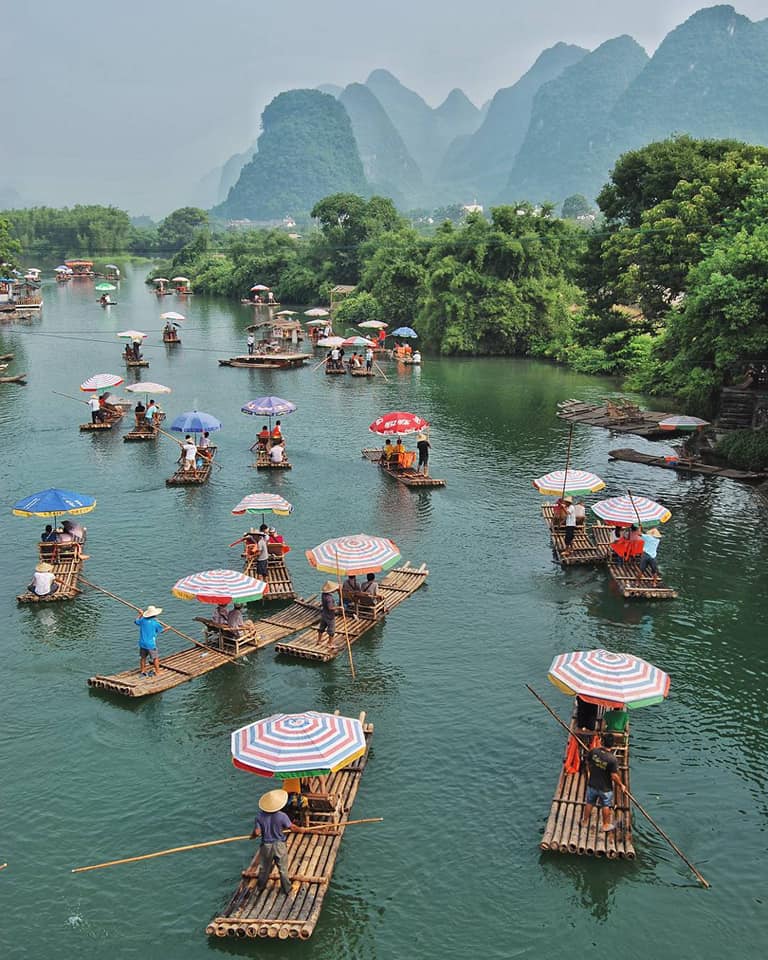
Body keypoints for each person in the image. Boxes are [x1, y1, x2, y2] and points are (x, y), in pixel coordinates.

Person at [249, 789, 308, 895]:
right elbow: (292, 827)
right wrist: (301, 830)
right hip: (279, 845)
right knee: (283, 869)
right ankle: (287, 889)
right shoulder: (282, 816)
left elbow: (257, 832)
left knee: (264, 869)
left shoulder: (259, 816)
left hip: (266, 845)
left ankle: (260, 887)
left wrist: (252, 836)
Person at [581, 733, 623, 832]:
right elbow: (614, 776)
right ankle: (605, 825)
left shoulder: (594, 752)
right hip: (605, 788)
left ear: (602, 742)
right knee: (605, 805)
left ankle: (584, 821)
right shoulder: (612, 759)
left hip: (592, 784)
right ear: (612, 745)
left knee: (589, 802)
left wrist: (590, 773)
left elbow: (587, 763)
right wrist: (621, 785)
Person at [135, 605, 167, 678]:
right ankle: (158, 672)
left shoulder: (142, 620)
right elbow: (161, 631)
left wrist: (140, 614)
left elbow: (136, 621)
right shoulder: (155, 623)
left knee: (143, 658)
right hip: (151, 644)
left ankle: (143, 670)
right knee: (155, 658)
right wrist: (167, 628)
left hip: (142, 643)